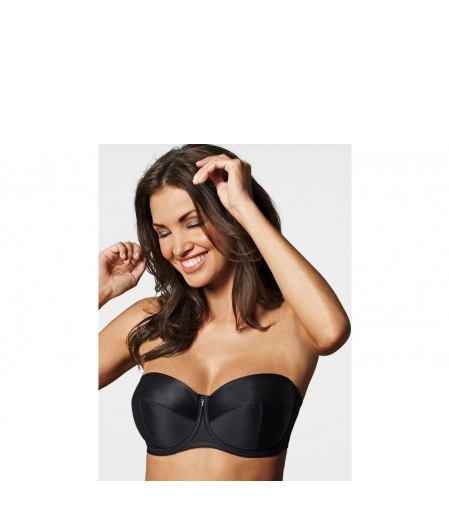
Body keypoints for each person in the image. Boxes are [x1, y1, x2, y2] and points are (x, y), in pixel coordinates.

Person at [99, 144, 351, 481]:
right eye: (163, 233)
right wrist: (96, 292)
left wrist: (244, 206)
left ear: (229, 216)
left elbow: (333, 331)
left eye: (193, 223)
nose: (178, 247)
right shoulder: (152, 321)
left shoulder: (294, 321)